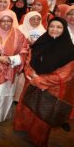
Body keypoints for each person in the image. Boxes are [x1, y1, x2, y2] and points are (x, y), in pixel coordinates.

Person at [14, 17, 74, 146]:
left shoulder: (69, 50)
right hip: (31, 82)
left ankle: (36, 138)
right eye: (52, 26)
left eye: (59, 27)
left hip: (51, 89)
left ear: (64, 30)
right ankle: (23, 128)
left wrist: (39, 80)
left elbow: (65, 75)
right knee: (27, 107)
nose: (54, 29)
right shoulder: (41, 42)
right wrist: (31, 74)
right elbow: (29, 60)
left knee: (42, 115)